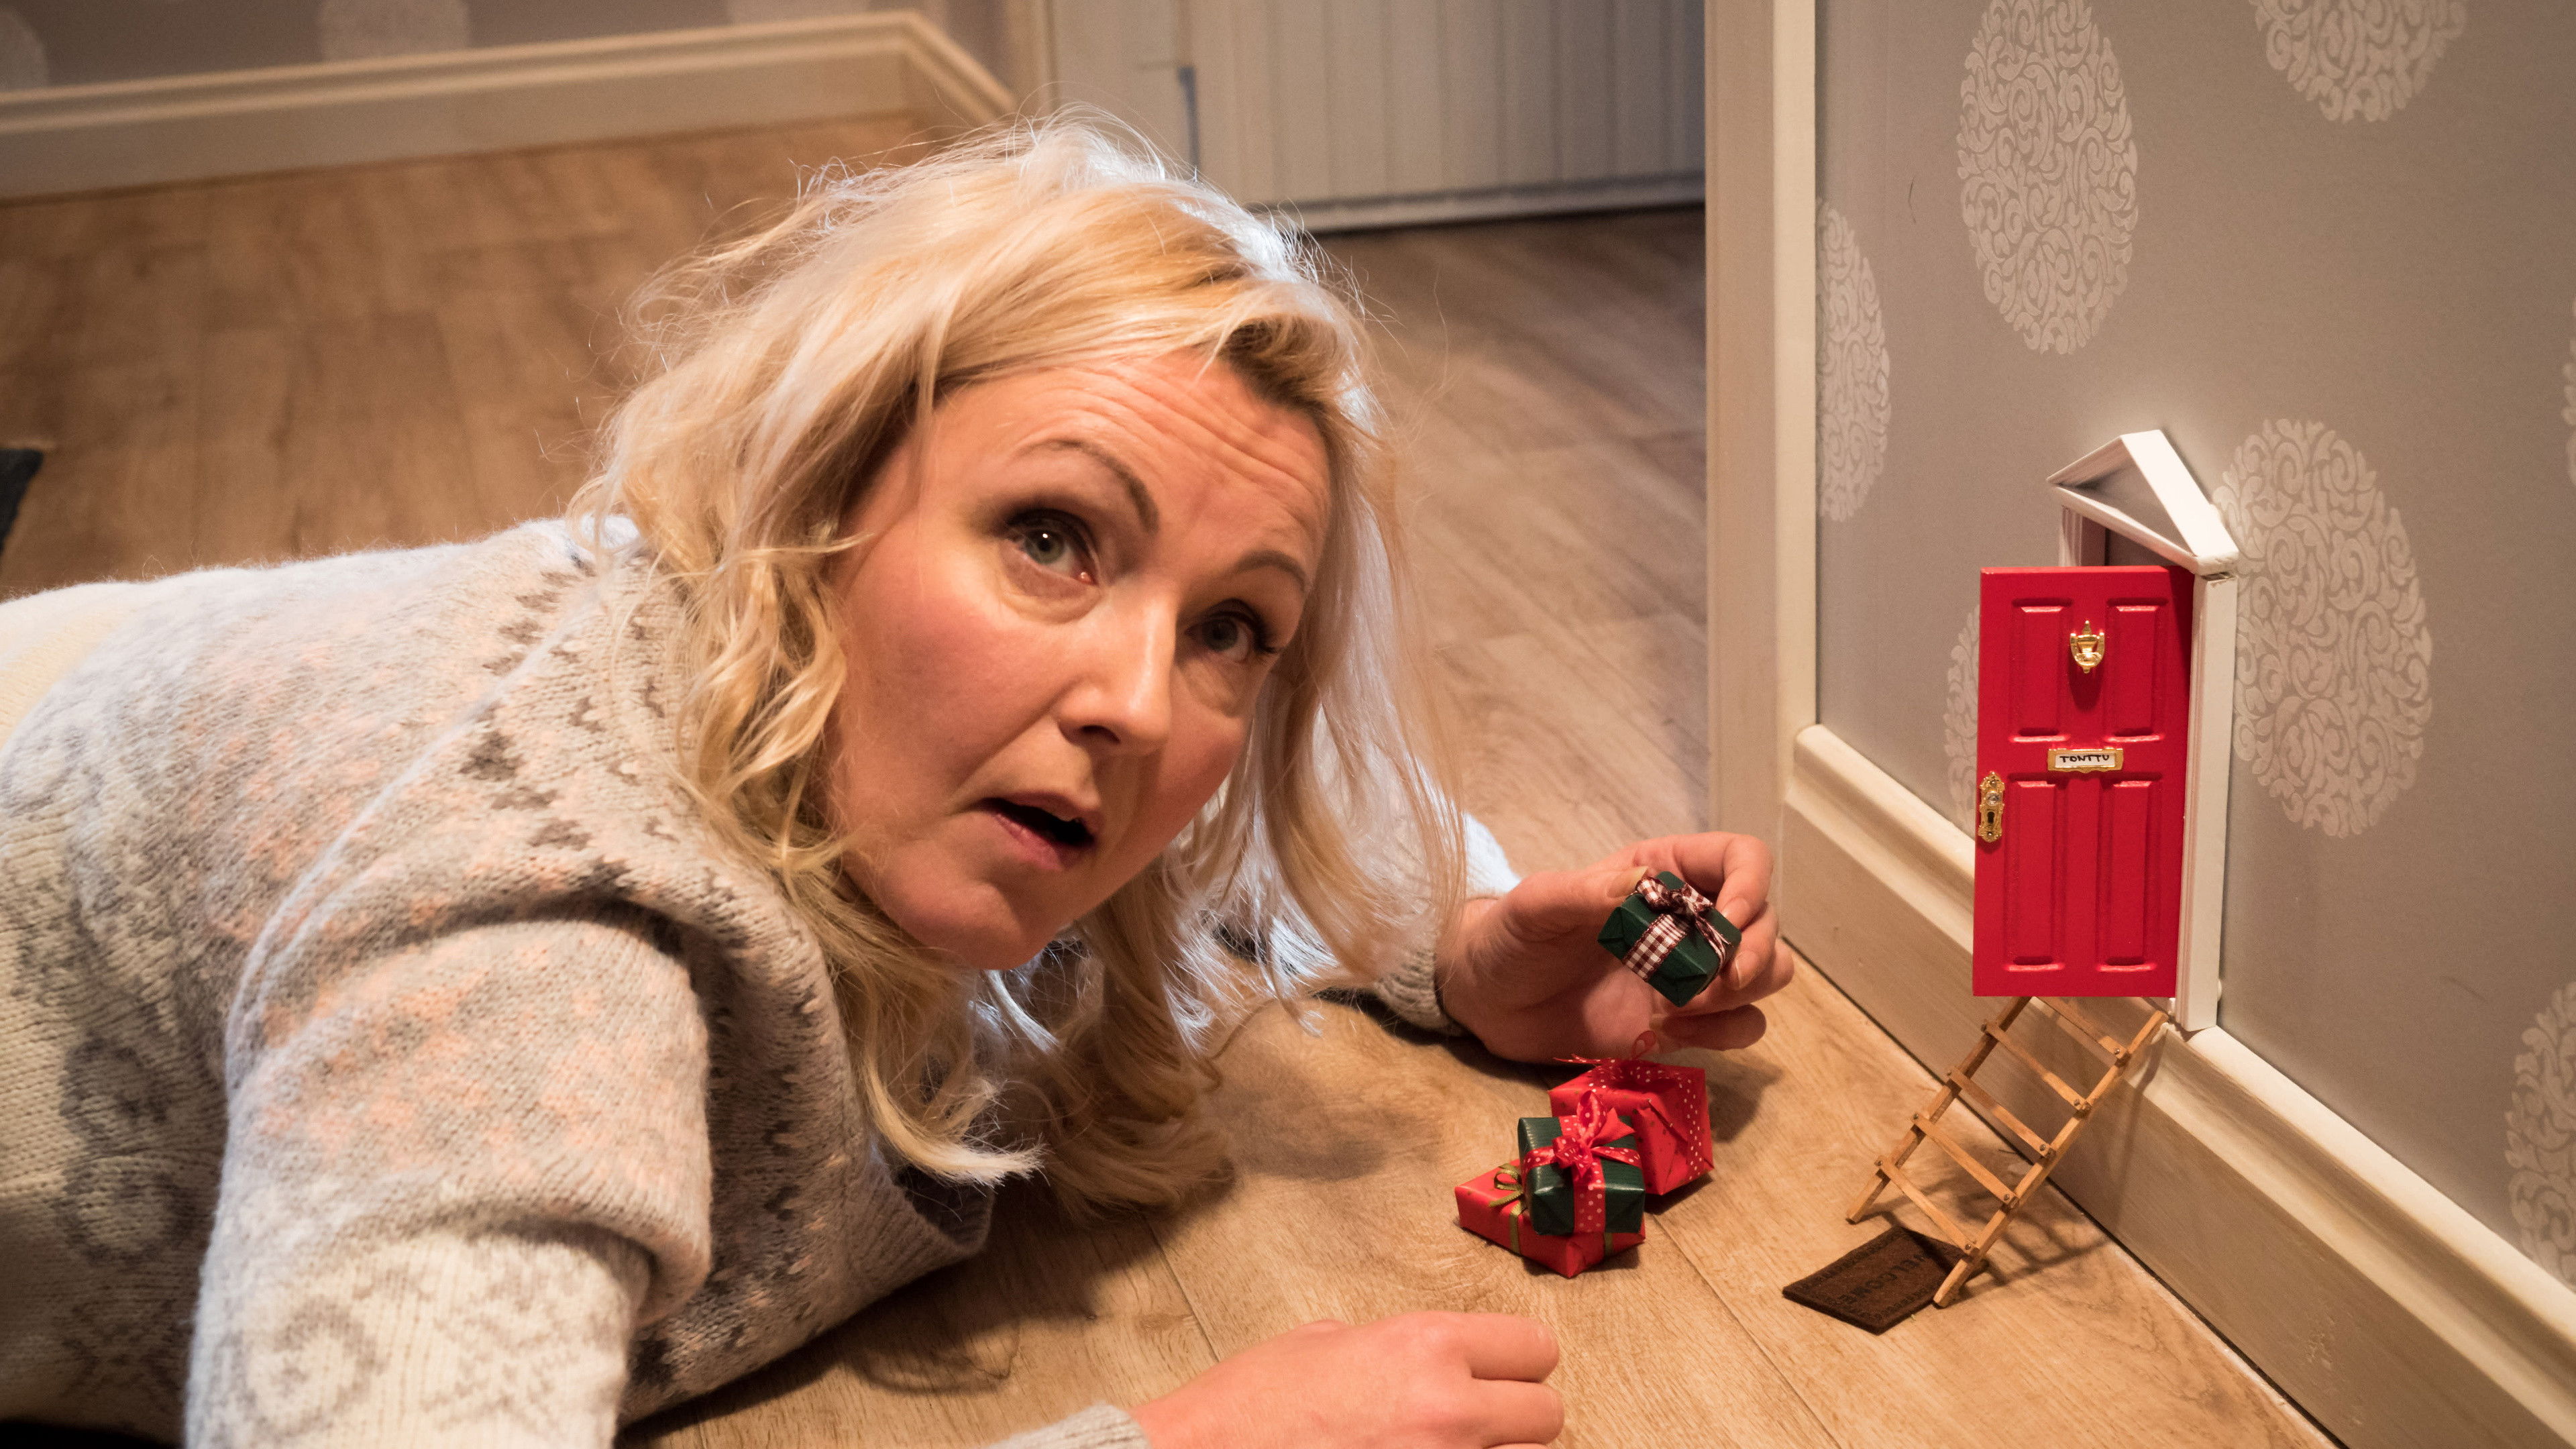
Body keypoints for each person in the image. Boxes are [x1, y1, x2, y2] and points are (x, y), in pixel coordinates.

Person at [0, 120, 1785, 1448]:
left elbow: (1256, 836)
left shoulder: (925, 735)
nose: (1137, 706)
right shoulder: (523, 926)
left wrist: (1457, 943)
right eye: (1051, 537)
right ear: (814, 507)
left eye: (1233, 626)